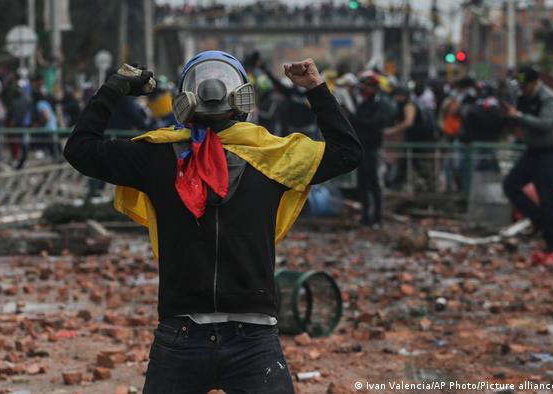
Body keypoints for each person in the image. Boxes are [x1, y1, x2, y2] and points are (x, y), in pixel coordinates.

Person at [64, 51, 362, 393]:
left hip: (185, 334)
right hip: (251, 337)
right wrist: (314, 88)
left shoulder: (157, 157)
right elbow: (347, 152)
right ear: (243, 98)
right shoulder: (276, 158)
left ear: (184, 99)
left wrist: (116, 87)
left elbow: (80, 149)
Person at [503, 65, 553, 253]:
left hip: (549, 152)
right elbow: (517, 122)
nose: (522, 89)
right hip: (532, 151)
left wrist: (519, 115)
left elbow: (545, 123)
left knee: (548, 199)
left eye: (525, 86)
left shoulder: (548, 97)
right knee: (511, 185)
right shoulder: (522, 97)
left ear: (535, 82)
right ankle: (538, 219)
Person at [350, 71, 391, 227]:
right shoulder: (363, 104)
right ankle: (365, 217)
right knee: (363, 184)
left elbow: (373, 123)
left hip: (373, 149)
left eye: (366, 85)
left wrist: (355, 118)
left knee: (374, 184)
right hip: (362, 148)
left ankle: (377, 218)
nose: (363, 88)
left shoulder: (381, 105)